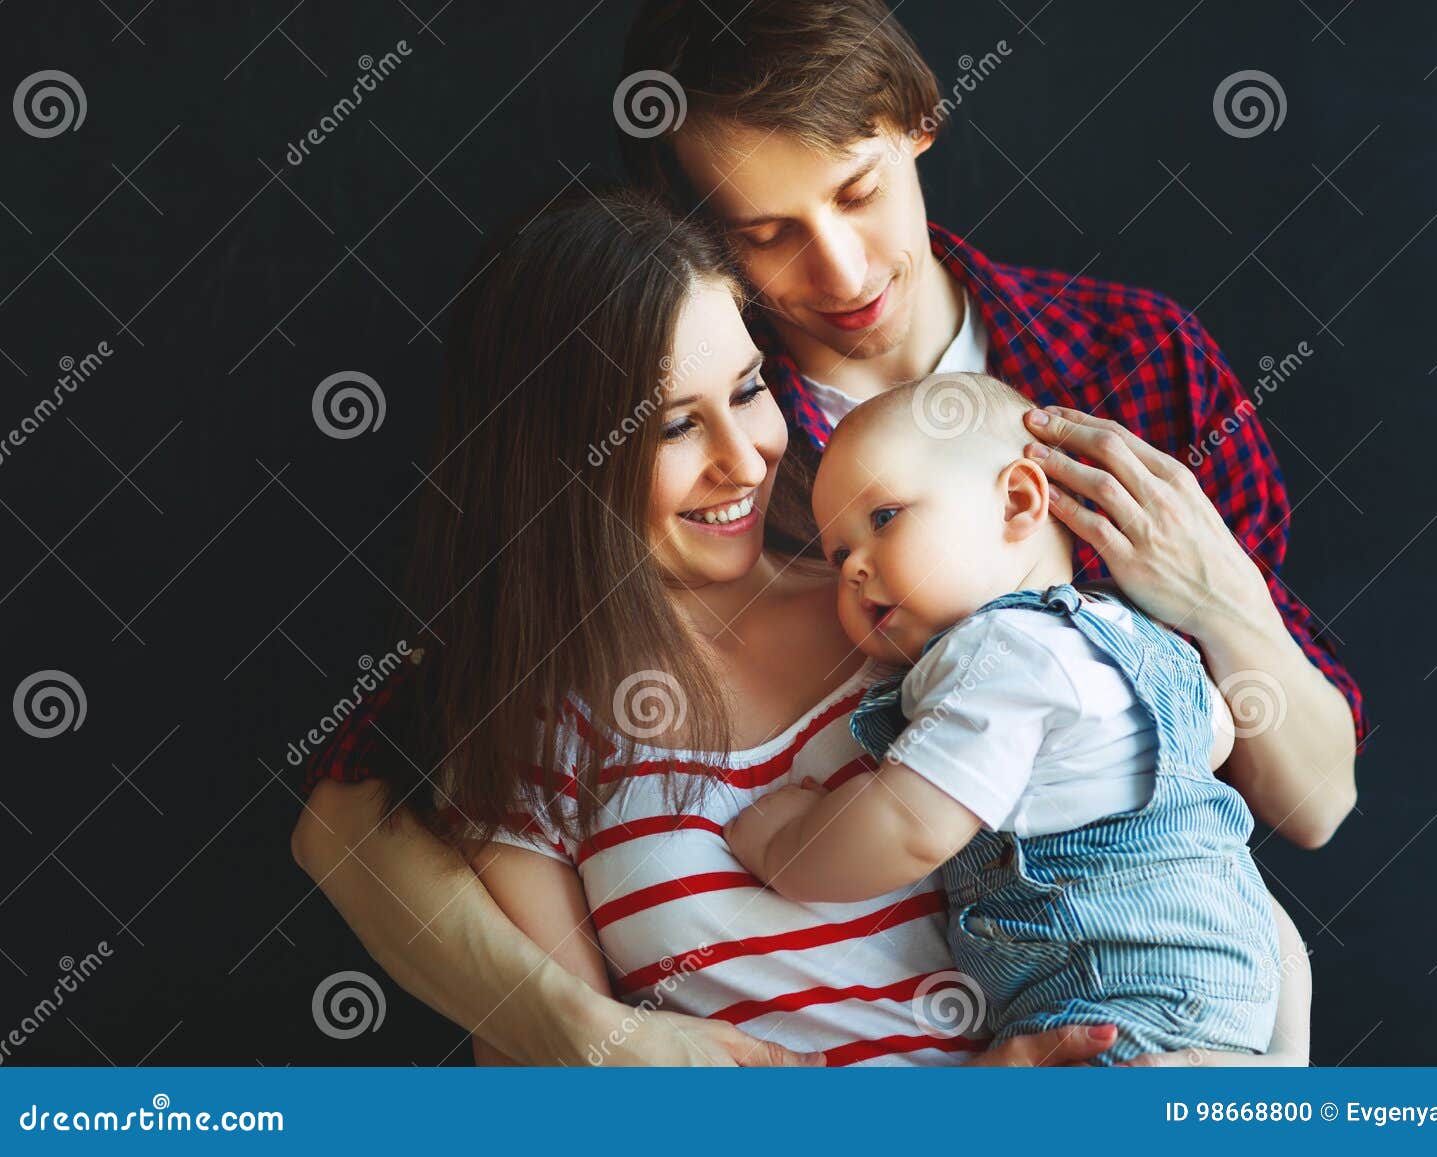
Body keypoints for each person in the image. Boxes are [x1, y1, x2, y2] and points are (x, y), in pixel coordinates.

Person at [294, 0, 1353, 1064]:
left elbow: (1310, 800)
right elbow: (372, 787)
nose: (842, 273)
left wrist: (1221, 597)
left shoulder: (1128, 366)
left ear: (921, 122)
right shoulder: (750, 463)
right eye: (767, 231)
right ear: (704, 231)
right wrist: (594, 1035)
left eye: (860, 191)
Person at [723, 373, 1281, 1061]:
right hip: (1234, 996)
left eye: (885, 517)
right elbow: (1215, 735)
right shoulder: (1133, 632)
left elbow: (908, 826)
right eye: (838, 557)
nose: (856, 568)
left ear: (1018, 501)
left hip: (1121, 1008)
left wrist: (786, 844)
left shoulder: (997, 653)